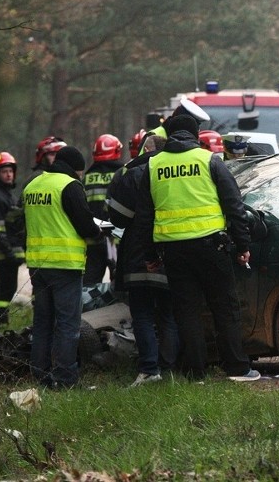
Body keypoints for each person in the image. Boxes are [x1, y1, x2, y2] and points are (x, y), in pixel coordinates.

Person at [135, 114, 260, 381]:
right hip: (212, 247)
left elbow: (144, 216)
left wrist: (150, 254)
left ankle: (196, 373)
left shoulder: (154, 165)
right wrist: (242, 245)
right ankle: (237, 368)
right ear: (195, 133)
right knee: (225, 308)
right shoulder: (209, 160)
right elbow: (234, 206)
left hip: (175, 252)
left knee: (187, 311)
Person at [22, 146, 102, 389]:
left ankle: (40, 374)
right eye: (79, 172)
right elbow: (85, 225)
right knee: (68, 324)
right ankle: (65, 378)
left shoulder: (32, 186)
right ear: (75, 169)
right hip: (64, 264)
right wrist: (98, 232)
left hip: (38, 264)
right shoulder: (69, 186)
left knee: (43, 322)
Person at [106, 133, 178, 387]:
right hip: (170, 249)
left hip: (137, 253)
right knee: (169, 314)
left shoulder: (133, 173)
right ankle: (170, 369)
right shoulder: (173, 172)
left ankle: (149, 369)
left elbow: (118, 217)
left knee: (143, 314)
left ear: (146, 149)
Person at [0, 152, 25, 328]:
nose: (8, 174)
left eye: (10, 171)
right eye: (4, 171)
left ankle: (3, 323)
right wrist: (9, 253)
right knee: (4, 290)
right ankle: (1, 324)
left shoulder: (8, 195)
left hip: (10, 253)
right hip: (4, 254)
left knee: (9, 289)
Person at [82, 134, 125, 286]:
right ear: (116, 151)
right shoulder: (122, 174)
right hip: (115, 239)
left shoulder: (86, 178)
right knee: (120, 281)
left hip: (93, 238)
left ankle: (86, 309)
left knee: (89, 282)